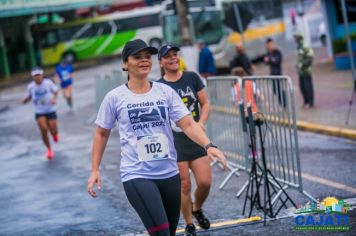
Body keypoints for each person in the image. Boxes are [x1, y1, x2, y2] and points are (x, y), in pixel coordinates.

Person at [87, 39, 227, 236]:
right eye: (137, 57)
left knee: (168, 232)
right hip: (137, 175)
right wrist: (95, 170)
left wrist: (209, 145)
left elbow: (187, 123)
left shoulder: (165, 92)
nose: (144, 60)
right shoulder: (115, 97)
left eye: (147, 57)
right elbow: (101, 133)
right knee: (161, 233)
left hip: (169, 174)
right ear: (125, 64)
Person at [157, 45, 225, 236]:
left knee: (205, 182)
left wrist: (201, 123)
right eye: (168, 57)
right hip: (175, 142)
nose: (173, 58)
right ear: (161, 62)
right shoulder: (159, 87)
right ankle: (188, 223)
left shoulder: (191, 77)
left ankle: (197, 208)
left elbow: (205, 103)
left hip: (195, 139)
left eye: (175, 55)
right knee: (184, 185)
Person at [23, 67, 59, 160]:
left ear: (42, 75)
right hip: (39, 111)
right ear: (32, 77)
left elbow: (55, 91)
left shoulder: (48, 83)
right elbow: (30, 96)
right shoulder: (31, 86)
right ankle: (49, 150)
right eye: (35, 76)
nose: (37, 77)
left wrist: (54, 98)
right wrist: (26, 99)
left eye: (39, 75)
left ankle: (54, 134)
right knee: (43, 129)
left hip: (50, 109)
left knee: (53, 130)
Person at [294, 33, 314, 109]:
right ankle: (306, 101)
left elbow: (310, 58)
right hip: (301, 72)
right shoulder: (299, 47)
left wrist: (303, 64)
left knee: (308, 87)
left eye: (296, 38)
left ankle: (310, 102)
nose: (295, 40)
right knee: (302, 87)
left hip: (306, 71)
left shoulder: (305, 46)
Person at [264, 38, 286, 107]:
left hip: (278, 74)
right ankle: (281, 103)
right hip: (272, 74)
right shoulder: (269, 53)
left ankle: (284, 104)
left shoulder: (277, 52)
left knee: (279, 89)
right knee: (275, 90)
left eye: (271, 45)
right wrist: (266, 60)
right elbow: (266, 63)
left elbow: (277, 61)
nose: (270, 46)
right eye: (268, 45)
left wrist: (270, 59)